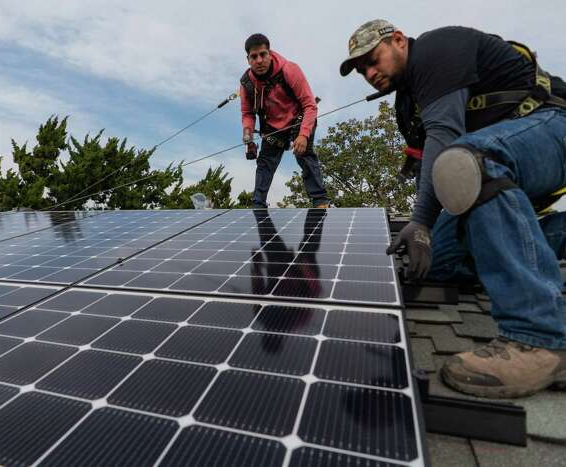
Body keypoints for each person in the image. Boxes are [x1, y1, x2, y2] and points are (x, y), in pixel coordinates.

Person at [340, 20, 566, 398]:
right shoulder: (407, 105)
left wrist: (421, 222)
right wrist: (424, 234)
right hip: (503, 169)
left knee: (468, 161)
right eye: (361, 70)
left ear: (398, 40)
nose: (369, 73)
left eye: (372, 60)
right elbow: (428, 166)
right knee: (437, 262)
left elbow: (445, 144)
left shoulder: (436, 50)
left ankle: (540, 337)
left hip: (553, 126)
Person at [240, 33, 330, 209]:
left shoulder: (289, 69)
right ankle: (258, 205)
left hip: (299, 118)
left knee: (303, 154)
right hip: (273, 126)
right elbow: (247, 113)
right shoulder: (246, 84)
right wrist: (248, 137)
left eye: (263, 54)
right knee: (265, 162)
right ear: (248, 59)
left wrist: (304, 135)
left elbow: (310, 106)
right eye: (254, 56)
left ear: (270, 53)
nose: (259, 60)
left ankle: (320, 201)